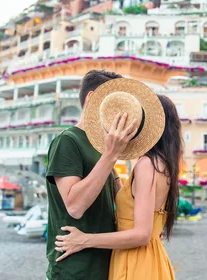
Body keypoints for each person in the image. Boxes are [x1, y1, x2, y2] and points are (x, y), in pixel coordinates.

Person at [55, 94, 181, 280]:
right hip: (151, 258)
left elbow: (141, 235)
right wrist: (110, 163)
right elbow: (133, 205)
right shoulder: (164, 164)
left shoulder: (147, 165)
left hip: (136, 261)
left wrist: (84, 240)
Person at [45, 70, 131, 280]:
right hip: (74, 270)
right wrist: (111, 155)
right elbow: (75, 206)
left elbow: (118, 202)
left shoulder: (101, 148)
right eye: (113, 101)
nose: (119, 110)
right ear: (92, 98)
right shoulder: (68, 140)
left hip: (104, 266)